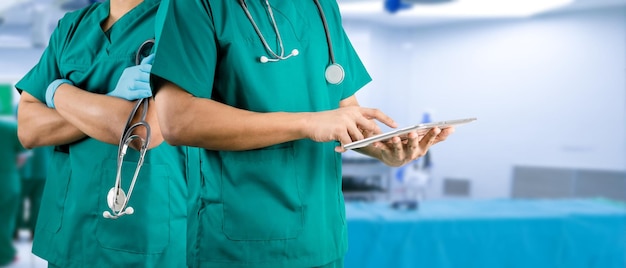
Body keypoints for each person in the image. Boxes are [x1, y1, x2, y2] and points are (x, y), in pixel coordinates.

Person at [150, 0, 454, 267]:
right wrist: (307, 123)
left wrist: (379, 147)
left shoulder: (320, 6)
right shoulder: (195, 4)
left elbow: (341, 108)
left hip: (324, 238)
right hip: (242, 243)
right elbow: (178, 121)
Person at [15, 0, 189, 266]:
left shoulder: (182, 18)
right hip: (70, 229)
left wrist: (58, 92)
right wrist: (110, 101)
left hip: (141, 229)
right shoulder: (71, 27)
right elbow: (29, 129)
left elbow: (144, 131)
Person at [0, 118, 28, 266]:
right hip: (6, 181)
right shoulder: (11, 127)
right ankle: (4, 255)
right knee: (4, 220)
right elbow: (23, 156)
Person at [15, 146, 53, 240]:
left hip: (21, 170)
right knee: (39, 201)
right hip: (43, 166)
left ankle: (14, 229)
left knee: (16, 201)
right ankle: (35, 230)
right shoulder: (48, 131)